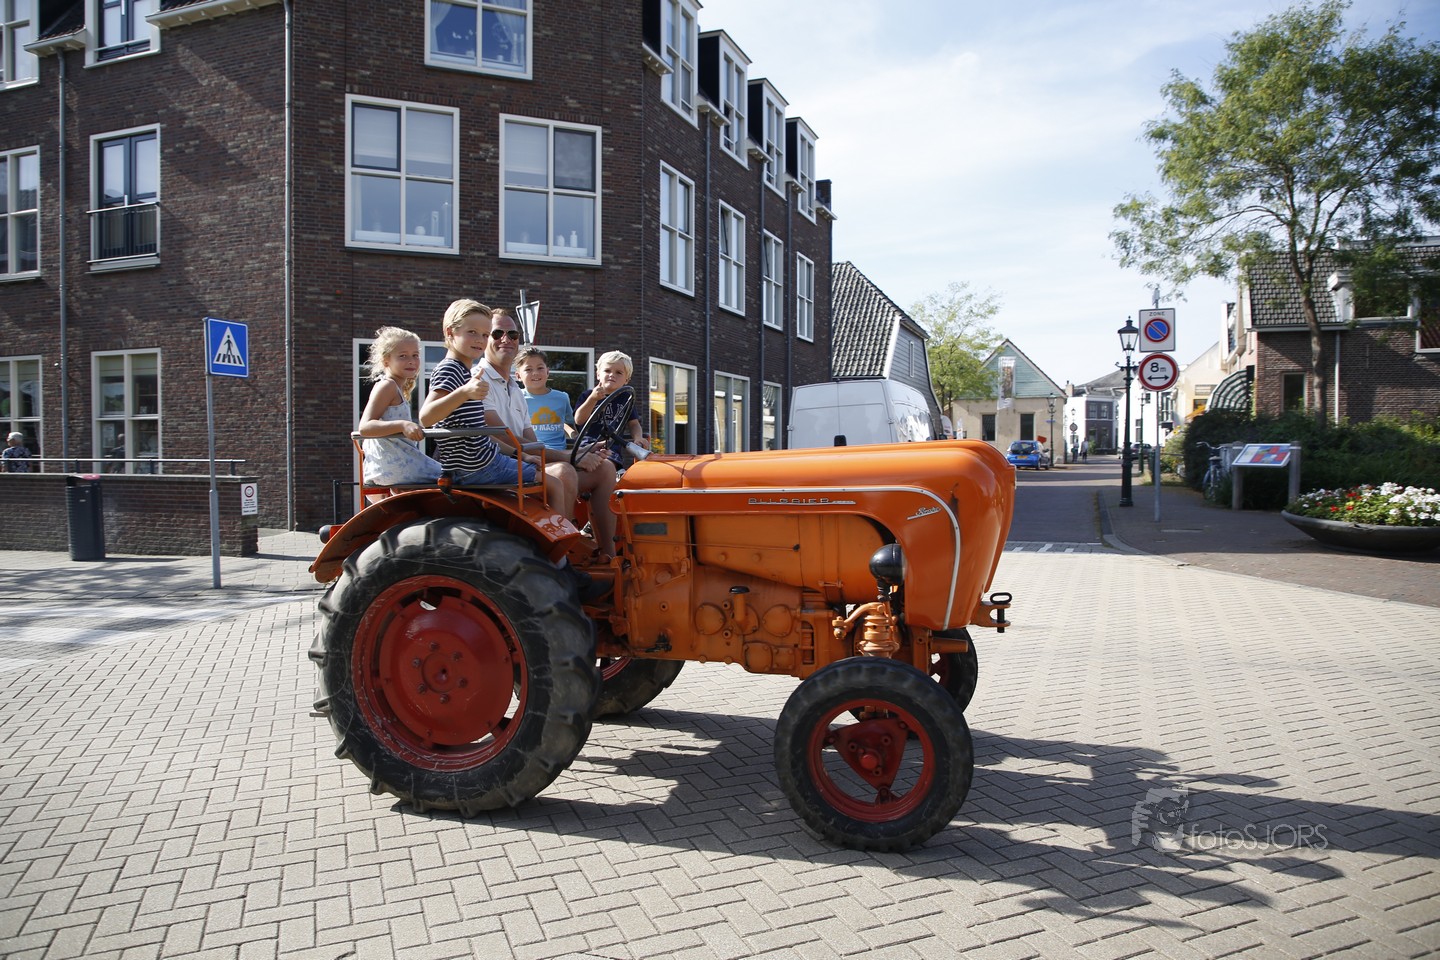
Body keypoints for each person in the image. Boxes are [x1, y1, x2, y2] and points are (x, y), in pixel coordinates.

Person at [418, 299, 535, 487]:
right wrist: (464, 392)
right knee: (554, 480)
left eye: (485, 334)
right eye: (472, 332)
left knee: (549, 474)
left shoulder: (464, 372)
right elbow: (426, 417)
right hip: (478, 467)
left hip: (485, 462)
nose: (480, 339)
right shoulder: (450, 369)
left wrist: (519, 454)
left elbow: (481, 434)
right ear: (450, 332)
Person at [517, 344, 619, 558]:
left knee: (607, 467)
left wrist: (579, 443)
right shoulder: (517, 398)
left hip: (561, 454)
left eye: (540, 368)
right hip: (535, 460)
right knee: (565, 470)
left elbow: (567, 424)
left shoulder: (561, 397)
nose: (535, 373)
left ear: (548, 372)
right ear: (518, 375)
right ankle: (567, 549)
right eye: (528, 369)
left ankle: (608, 554)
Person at [356, 326, 442, 492]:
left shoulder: (396, 388)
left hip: (393, 464)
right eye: (403, 356)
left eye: (415, 355)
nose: (411, 361)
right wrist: (403, 425)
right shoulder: (387, 386)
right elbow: (365, 427)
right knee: (457, 476)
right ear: (386, 361)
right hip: (394, 466)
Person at [573, 350, 648, 470]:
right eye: (607, 371)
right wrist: (592, 399)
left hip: (611, 448)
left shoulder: (626, 398)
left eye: (618, 372)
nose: (612, 375)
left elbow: (634, 424)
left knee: (607, 464)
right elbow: (579, 420)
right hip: (587, 446)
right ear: (598, 374)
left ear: (626, 380)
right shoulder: (588, 395)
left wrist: (638, 437)